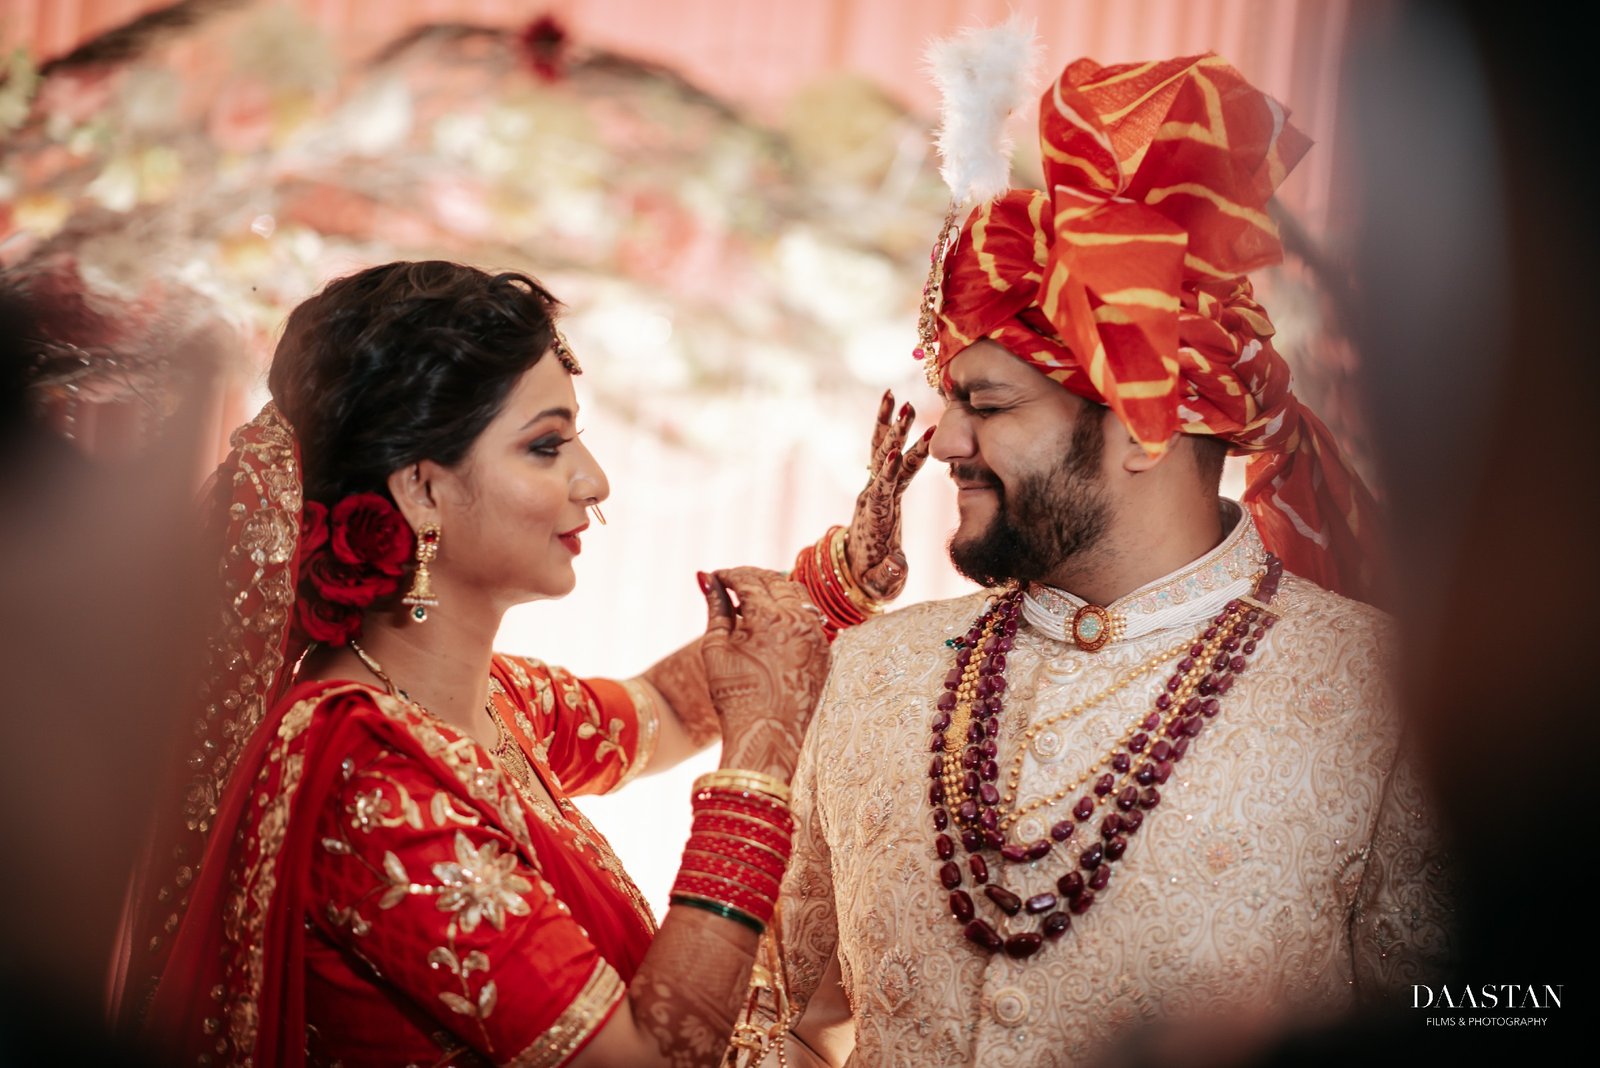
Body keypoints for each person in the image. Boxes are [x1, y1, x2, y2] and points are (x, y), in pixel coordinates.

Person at [758, 49, 1455, 1067]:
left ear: (1147, 425)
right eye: (951, 400)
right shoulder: (870, 672)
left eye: (986, 405)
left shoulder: (1377, 696)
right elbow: (785, 1011)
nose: (945, 441)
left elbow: (1505, 1012)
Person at [109, 260, 930, 1066]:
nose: (594, 480)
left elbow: (668, 710)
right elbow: (645, 1059)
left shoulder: (492, 702)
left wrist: (840, 582)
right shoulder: (366, 780)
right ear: (421, 491)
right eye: (546, 445)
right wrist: (762, 760)